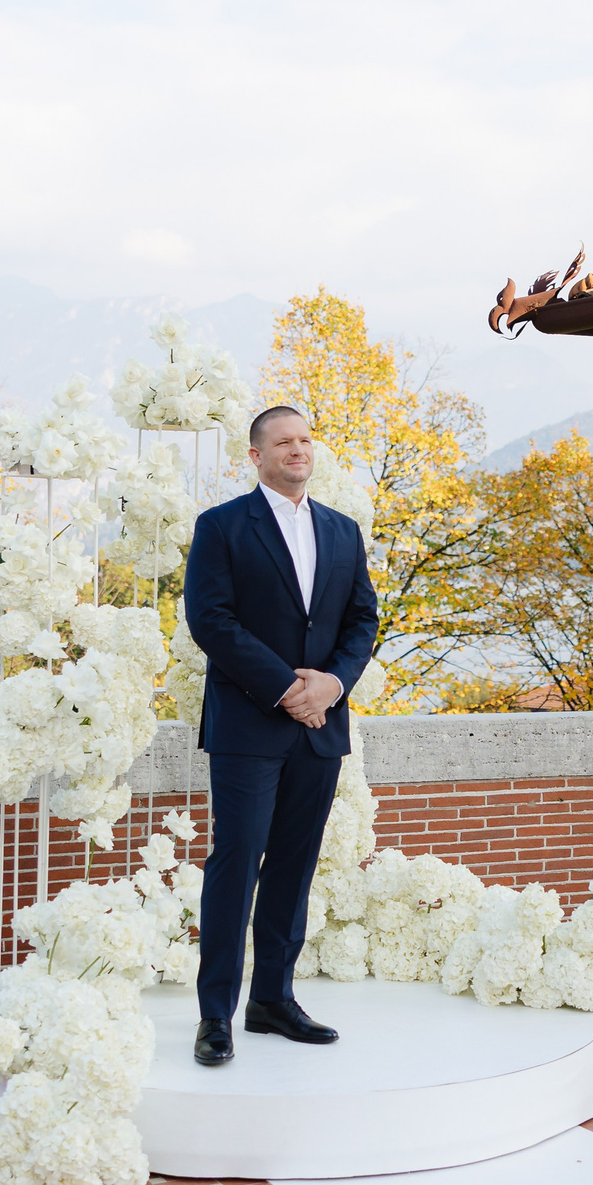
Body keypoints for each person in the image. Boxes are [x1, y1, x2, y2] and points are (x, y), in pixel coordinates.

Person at [183, 403, 378, 1067]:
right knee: (235, 866)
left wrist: (333, 683)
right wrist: (289, 689)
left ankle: (272, 998)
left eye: (304, 440)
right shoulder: (221, 527)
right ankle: (216, 1015)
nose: (297, 450)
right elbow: (211, 620)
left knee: (294, 868)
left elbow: (362, 621)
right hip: (248, 726)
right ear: (256, 455)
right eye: (282, 442)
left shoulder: (343, 531)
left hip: (321, 727)